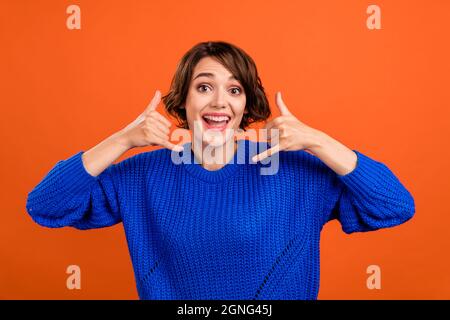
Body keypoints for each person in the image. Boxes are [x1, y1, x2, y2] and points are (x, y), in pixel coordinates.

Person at [26, 41, 415, 300]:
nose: (219, 102)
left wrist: (318, 141)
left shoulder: (293, 169)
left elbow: (395, 205)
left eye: (234, 89)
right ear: (183, 100)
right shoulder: (142, 175)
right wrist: (122, 140)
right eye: (203, 86)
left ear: (247, 104)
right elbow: (45, 206)